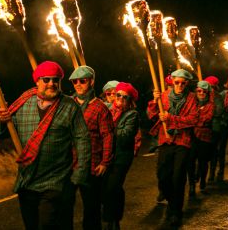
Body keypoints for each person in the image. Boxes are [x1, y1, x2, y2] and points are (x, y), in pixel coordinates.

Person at [0, 61, 91, 230]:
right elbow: (0, 133)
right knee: (31, 225)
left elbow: (82, 140)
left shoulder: (70, 106)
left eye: (56, 80)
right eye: (46, 79)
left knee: (49, 225)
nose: (51, 84)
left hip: (57, 181)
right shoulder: (23, 104)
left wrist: (78, 176)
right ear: (37, 81)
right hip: (28, 180)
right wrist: (3, 121)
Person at [65, 66, 114, 230]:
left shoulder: (100, 107)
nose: (78, 84)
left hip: (91, 164)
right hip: (67, 164)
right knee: (64, 207)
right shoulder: (66, 104)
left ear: (91, 81)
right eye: (74, 82)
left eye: (82, 81)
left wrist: (105, 162)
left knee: (91, 209)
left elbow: (107, 136)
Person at [147, 69, 198, 227]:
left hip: (183, 141)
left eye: (183, 83)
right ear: (172, 81)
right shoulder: (163, 95)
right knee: (163, 175)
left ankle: (176, 210)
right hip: (166, 139)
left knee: (178, 177)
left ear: (187, 83)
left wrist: (171, 118)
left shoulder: (191, 98)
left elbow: (192, 120)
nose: (180, 85)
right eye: (177, 82)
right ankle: (170, 198)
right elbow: (151, 114)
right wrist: (155, 102)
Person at [102, 82, 139, 230]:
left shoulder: (132, 115)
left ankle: (111, 219)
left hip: (121, 157)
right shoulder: (106, 110)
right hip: (106, 156)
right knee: (107, 188)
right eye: (118, 95)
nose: (121, 99)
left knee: (112, 187)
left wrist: (108, 128)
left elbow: (125, 137)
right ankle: (114, 217)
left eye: (125, 97)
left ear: (130, 100)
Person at [188, 81, 214, 197]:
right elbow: (189, 118)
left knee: (203, 162)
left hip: (205, 137)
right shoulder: (192, 104)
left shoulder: (211, 105)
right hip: (192, 137)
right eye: (199, 91)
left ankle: (203, 182)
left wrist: (194, 119)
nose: (201, 93)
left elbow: (206, 119)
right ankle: (192, 185)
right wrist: (193, 119)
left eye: (204, 91)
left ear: (208, 93)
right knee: (191, 161)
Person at [204, 76, 224, 184]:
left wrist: (208, 112)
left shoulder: (218, 97)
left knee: (213, 151)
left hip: (214, 128)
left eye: (210, 86)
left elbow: (219, 111)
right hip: (203, 127)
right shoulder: (203, 95)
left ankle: (211, 172)